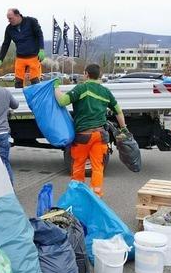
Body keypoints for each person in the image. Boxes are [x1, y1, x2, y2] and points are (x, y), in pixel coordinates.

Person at [54, 63, 128, 197]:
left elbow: (62, 101)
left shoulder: (81, 88)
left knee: (78, 165)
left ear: (86, 74)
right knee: (98, 167)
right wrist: (124, 128)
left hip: (83, 136)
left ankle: (77, 194)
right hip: (100, 136)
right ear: (99, 75)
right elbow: (118, 111)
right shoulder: (106, 92)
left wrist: (56, 86)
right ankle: (96, 196)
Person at [0, 8, 45, 88]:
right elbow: (6, 44)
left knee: (35, 82)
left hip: (33, 57)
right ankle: (19, 99)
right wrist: (0, 58)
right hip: (20, 58)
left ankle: (36, 99)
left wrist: (41, 49)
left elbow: (39, 35)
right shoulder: (9, 29)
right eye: (8, 19)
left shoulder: (31, 21)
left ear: (17, 15)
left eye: (10, 18)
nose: (9, 20)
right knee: (18, 83)